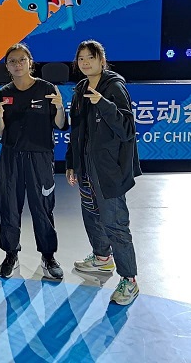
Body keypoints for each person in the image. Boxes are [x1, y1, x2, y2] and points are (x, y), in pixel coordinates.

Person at [65, 40, 141, 305]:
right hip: (86, 166)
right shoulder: (80, 89)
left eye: (90, 57)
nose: (85, 63)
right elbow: (77, 132)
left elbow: (127, 130)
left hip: (109, 169)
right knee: (91, 214)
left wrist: (104, 104)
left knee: (115, 222)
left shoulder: (114, 87)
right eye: (81, 58)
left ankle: (129, 279)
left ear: (102, 60)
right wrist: (72, 163)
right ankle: (101, 258)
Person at [0, 43, 67, 279]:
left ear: (30, 62)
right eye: (12, 61)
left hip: (40, 157)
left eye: (21, 60)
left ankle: (48, 255)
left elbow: (60, 124)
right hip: (11, 157)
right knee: (9, 206)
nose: (17, 65)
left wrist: (59, 107)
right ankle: (10, 254)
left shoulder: (47, 89)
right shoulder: (2, 94)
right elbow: (0, 131)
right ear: (7, 66)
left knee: (42, 207)